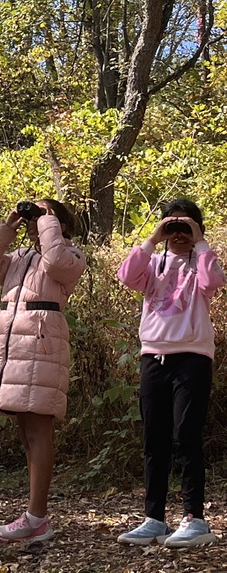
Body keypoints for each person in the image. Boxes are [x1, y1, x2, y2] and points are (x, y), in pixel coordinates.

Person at [116, 198, 224, 548]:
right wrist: (153, 239)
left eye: (186, 226)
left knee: (186, 434)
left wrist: (199, 239)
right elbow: (126, 275)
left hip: (192, 357)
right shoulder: (155, 263)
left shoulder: (201, 261)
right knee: (154, 437)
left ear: (197, 229)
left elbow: (214, 281)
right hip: (154, 357)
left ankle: (194, 517)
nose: (178, 233)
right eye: (172, 227)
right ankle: (154, 518)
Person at [0, 198, 86, 543]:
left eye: (43, 216)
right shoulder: (21, 258)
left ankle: (37, 517)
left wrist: (48, 221)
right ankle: (33, 514)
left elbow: (55, 261)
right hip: (12, 346)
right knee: (26, 431)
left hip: (41, 344)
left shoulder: (71, 256)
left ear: (60, 226)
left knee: (39, 428)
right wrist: (8, 225)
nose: (33, 222)